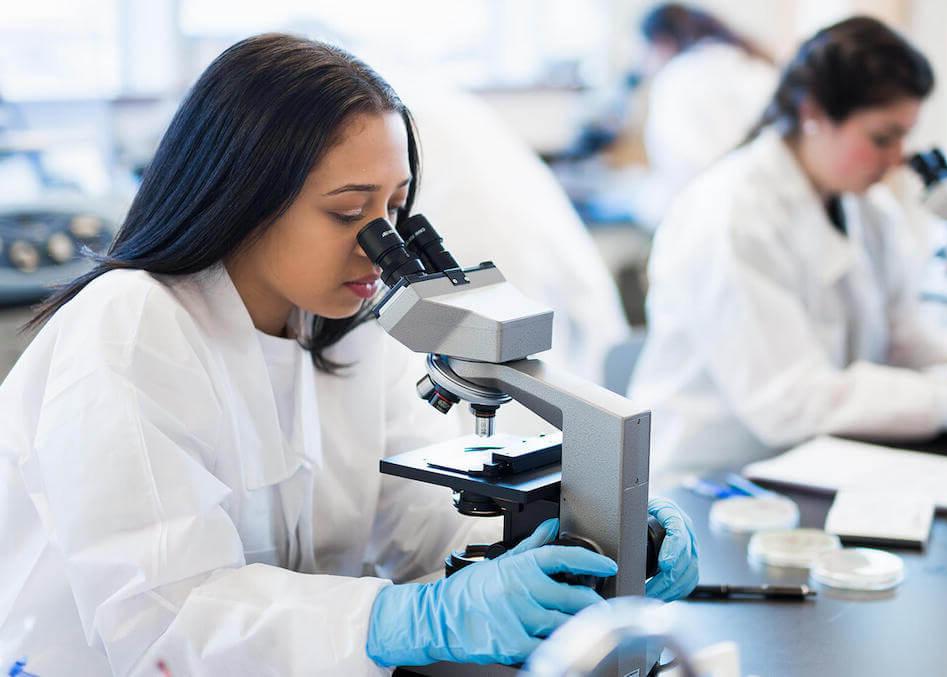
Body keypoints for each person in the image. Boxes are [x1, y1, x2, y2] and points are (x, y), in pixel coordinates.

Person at [0, 34, 697, 675]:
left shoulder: (348, 323)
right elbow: (166, 620)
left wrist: (578, 541)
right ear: (243, 195)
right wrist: (410, 617)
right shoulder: (130, 325)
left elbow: (424, 525)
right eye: (346, 211)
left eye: (395, 211)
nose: (378, 244)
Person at [628, 17, 947, 476]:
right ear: (813, 114)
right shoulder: (729, 216)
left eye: (904, 137)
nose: (898, 159)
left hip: (819, 463)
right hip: (717, 478)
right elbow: (788, 401)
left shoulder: (865, 205)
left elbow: (902, 339)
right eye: (882, 138)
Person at [404, 79, 630, 387]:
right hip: (517, 246)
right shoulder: (439, 101)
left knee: (504, 389)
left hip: (485, 250)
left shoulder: (411, 108)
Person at [635, 3, 779, 227]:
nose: (645, 64)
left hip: (707, 217)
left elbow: (678, 168)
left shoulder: (676, 79)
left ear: (662, 42)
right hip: (766, 210)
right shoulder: (753, 65)